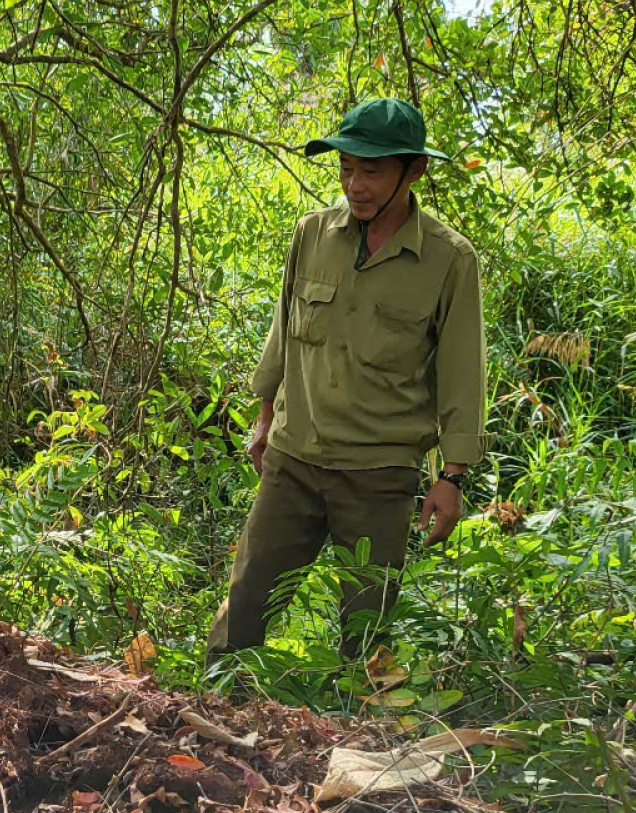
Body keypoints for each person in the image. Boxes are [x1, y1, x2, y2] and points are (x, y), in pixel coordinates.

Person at [209, 98, 491, 659]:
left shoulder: (448, 260)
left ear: (414, 171)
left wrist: (452, 478)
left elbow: (462, 373)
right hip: (294, 459)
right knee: (244, 605)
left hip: (379, 476)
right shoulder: (312, 234)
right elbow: (284, 335)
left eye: (372, 170)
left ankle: (355, 730)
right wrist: (264, 420)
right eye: (346, 168)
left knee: (365, 630)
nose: (354, 184)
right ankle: (211, 711)